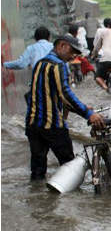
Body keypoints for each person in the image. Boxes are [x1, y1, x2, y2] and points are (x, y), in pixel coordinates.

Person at [25, 34, 104, 180]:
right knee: (69, 167)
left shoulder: (40, 63)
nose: (72, 56)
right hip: (52, 125)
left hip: (33, 124)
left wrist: (81, 107)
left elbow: (51, 94)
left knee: (37, 170)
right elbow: (65, 94)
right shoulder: (58, 65)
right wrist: (88, 114)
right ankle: (70, 202)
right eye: (72, 52)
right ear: (62, 46)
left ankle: (39, 199)